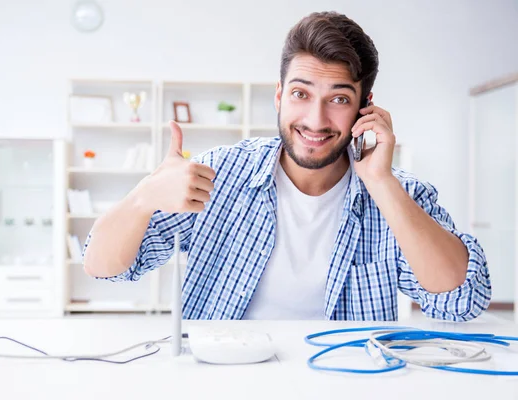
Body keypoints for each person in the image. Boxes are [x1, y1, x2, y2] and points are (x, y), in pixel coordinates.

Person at [82, 11, 491, 321]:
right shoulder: (217, 176)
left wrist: (381, 182)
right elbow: (102, 269)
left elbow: (462, 301)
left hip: (345, 385)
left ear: (366, 108)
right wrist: (141, 199)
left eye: (339, 99)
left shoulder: (399, 195)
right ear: (279, 96)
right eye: (301, 93)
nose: (315, 120)